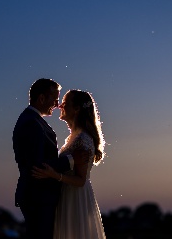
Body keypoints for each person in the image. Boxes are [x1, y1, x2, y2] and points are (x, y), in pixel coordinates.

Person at [12, 78, 86, 239]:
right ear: (41, 98)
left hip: (41, 196)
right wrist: (72, 160)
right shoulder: (31, 123)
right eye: (55, 99)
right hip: (38, 197)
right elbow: (37, 166)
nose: (58, 104)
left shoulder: (34, 121)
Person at [32, 89, 106, 239]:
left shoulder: (83, 139)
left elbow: (80, 180)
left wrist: (54, 175)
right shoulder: (74, 136)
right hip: (67, 196)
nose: (60, 106)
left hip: (76, 198)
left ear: (77, 109)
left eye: (65, 103)